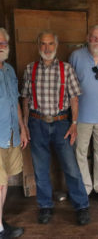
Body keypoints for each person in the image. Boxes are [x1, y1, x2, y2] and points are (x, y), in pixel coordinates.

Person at [21, 30, 90, 225]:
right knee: (40, 169)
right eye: (43, 44)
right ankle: (45, 206)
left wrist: (74, 124)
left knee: (71, 167)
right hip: (36, 123)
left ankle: (81, 206)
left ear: (56, 46)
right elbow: (25, 99)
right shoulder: (30, 69)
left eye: (50, 44)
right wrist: (25, 125)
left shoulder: (66, 69)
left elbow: (75, 99)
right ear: (38, 46)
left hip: (62, 124)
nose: (47, 48)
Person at [69, 25, 98, 202]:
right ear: (88, 37)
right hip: (81, 115)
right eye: (93, 37)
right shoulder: (76, 56)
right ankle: (85, 187)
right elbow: (70, 85)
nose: (96, 41)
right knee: (79, 152)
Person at [0, 28, 28, 239]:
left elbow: (16, 102)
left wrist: (23, 127)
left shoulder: (8, 70)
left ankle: (0, 224)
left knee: (4, 181)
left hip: (10, 134)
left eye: (3, 43)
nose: (1, 46)